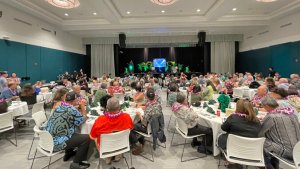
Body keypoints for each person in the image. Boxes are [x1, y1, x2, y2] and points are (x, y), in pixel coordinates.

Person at [46, 92, 90, 169]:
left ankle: (69, 153)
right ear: (75, 99)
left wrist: (78, 107)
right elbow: (83, 120)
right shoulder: (72, 109)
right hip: (58, 142)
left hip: (49, 138)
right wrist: (82, 107)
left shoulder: (60, 106)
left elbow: (70, 110)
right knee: (87, 138)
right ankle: (76, 163)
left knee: (73, 130)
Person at [259, 96, 300, 169]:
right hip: (297, 149)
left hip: (286, 151)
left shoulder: (271, 116)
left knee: (261, 140)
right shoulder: (292, 113)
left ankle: (266, 166)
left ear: (267, 106)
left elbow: (260, 132)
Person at [90, 97, 133, 164]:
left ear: (106, 107)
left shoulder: (100, 119)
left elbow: (92, 136)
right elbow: (131, 128)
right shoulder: (127, 117)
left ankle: (106, 157)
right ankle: (118, 155)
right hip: (121, 145)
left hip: (105, 146)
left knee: (95, 137)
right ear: (119, 107)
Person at [130, 88, 162, 155]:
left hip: (149, 129)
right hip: (158, 126)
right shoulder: (159, 105)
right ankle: (141, 139)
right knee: (137, 122)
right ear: (154, 96)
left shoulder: (148, 109)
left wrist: (140, 115)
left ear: (147, 97)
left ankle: (138, 145)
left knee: (129, 126)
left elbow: (144, 124)